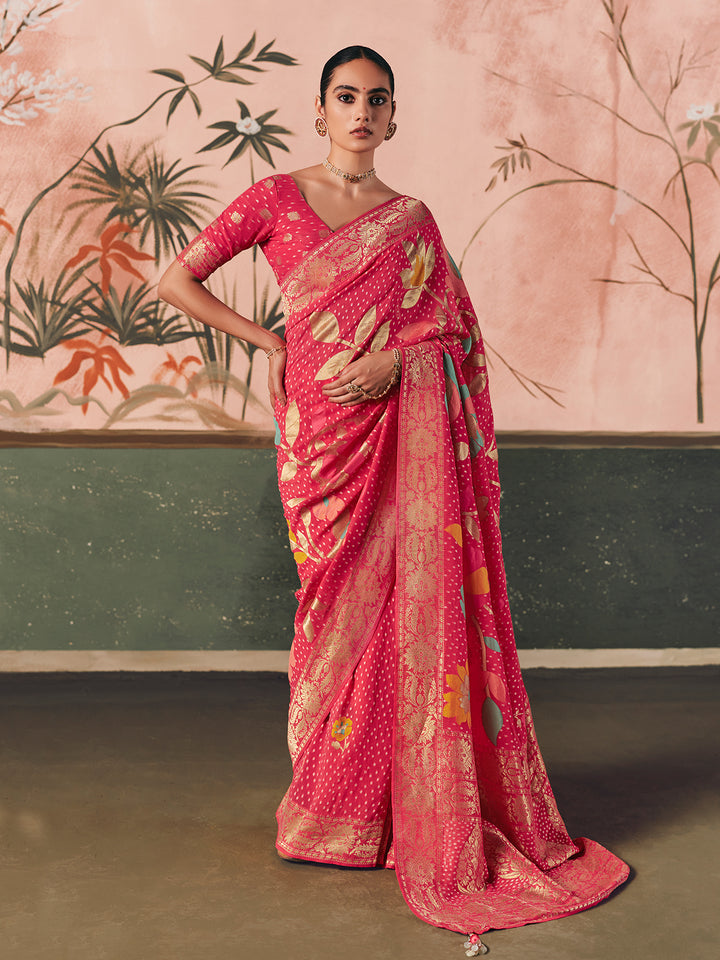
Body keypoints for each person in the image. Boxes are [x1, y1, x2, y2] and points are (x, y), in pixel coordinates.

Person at [158, 45, 629, 955]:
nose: (362, 112)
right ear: (321, 110)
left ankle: (381, 813)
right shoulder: (274, 199)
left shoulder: (410, 223)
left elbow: (457, 336)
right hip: (320, 448)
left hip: (394, 432)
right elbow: (174, 279)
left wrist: (403, 361)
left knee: (398, 622)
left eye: (378, 99)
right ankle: (331, 808)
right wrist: (269, 342)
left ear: (394, 116)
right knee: (330, 612)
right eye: (347, 97)